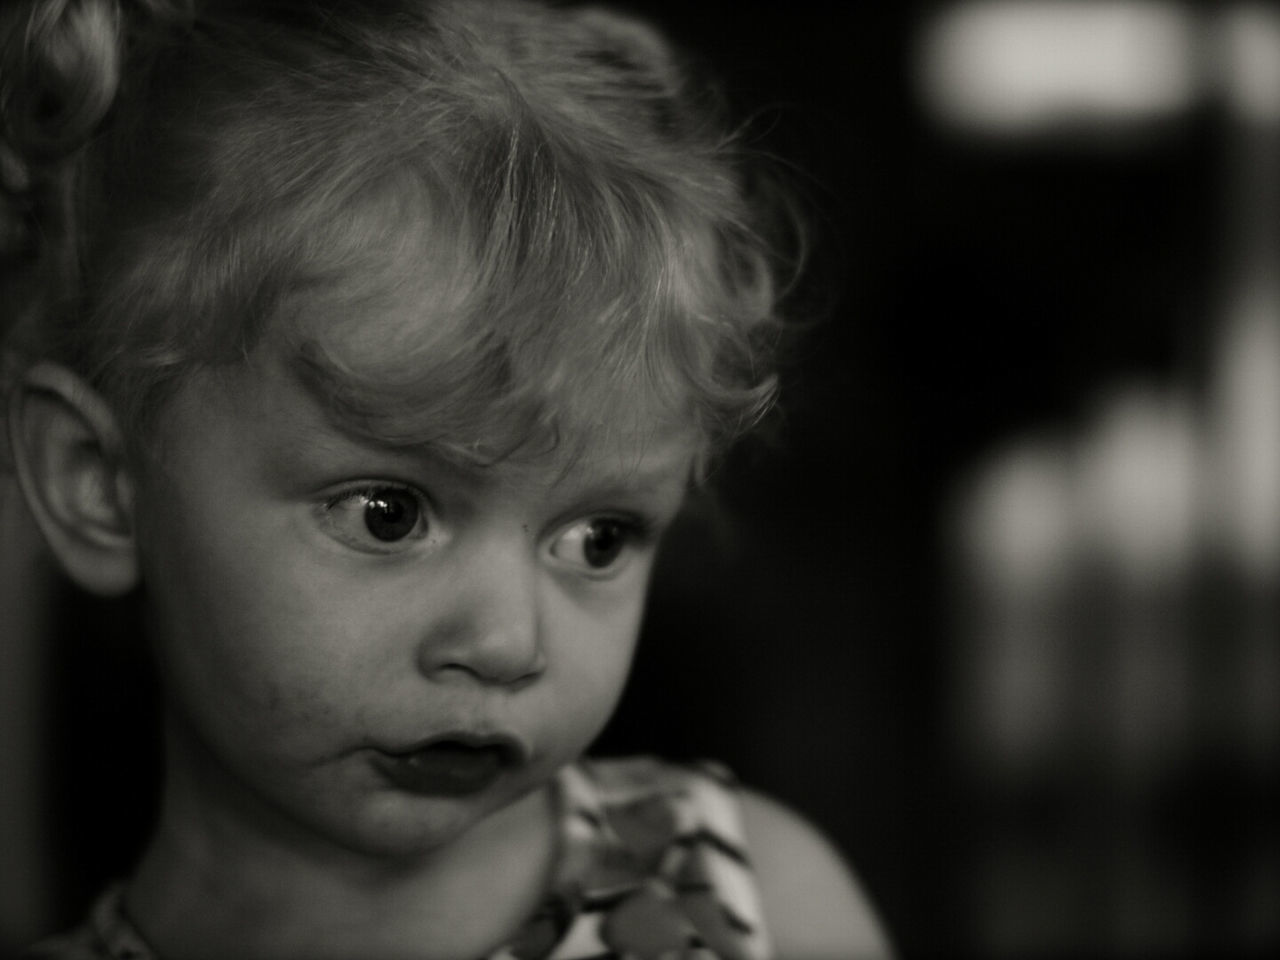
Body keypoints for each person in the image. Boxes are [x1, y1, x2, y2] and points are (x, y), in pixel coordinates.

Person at [0, 1, 891, 957]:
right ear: (98, 482)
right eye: (389, 514)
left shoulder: (754, 900)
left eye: (597, 538)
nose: (509, 643)